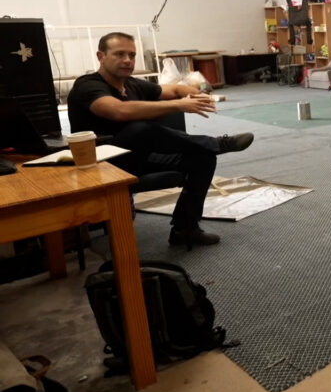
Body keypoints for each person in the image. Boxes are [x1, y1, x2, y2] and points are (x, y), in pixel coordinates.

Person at [67, 32, 255, 247]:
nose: (127, 60)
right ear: (101, 56)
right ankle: (216, 143)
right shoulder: (87, 85)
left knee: (203, 158)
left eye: (132, 55)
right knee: (140, 129)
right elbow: (118, 111)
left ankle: (185, 229)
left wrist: (196, 92)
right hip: (103, 165)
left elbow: (174, 88)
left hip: (136, 159)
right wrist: (178, 105)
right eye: (119, 54)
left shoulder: (132, 84)